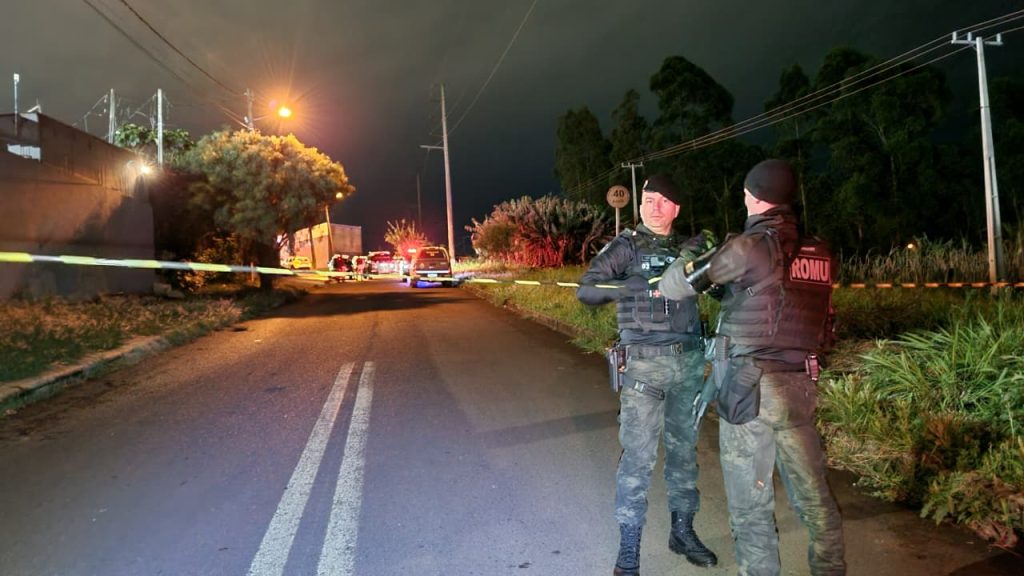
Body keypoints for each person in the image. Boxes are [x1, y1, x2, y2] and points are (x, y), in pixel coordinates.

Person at [659, 159, 846, 576]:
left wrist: (693, 254)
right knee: (815, 500)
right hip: (801, 386)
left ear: (756, 196)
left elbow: (676, 286)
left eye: (745, 191)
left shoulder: (747, 247)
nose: (743, 197)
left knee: (751, 507)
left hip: (749, 392)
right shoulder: (821, 251)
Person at [576, 174, 718, 576]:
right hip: (644, 365)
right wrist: (628, 287)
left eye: (663, 201)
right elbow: (586, 291)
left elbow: (721, 290)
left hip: (689, 362)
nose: (653, 206)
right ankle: (628, 550)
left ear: (676, 209)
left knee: (684, 452)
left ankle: (682, 531)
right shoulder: (626, 247)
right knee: (637, 459)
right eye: (648, 198)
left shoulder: (689, 251)